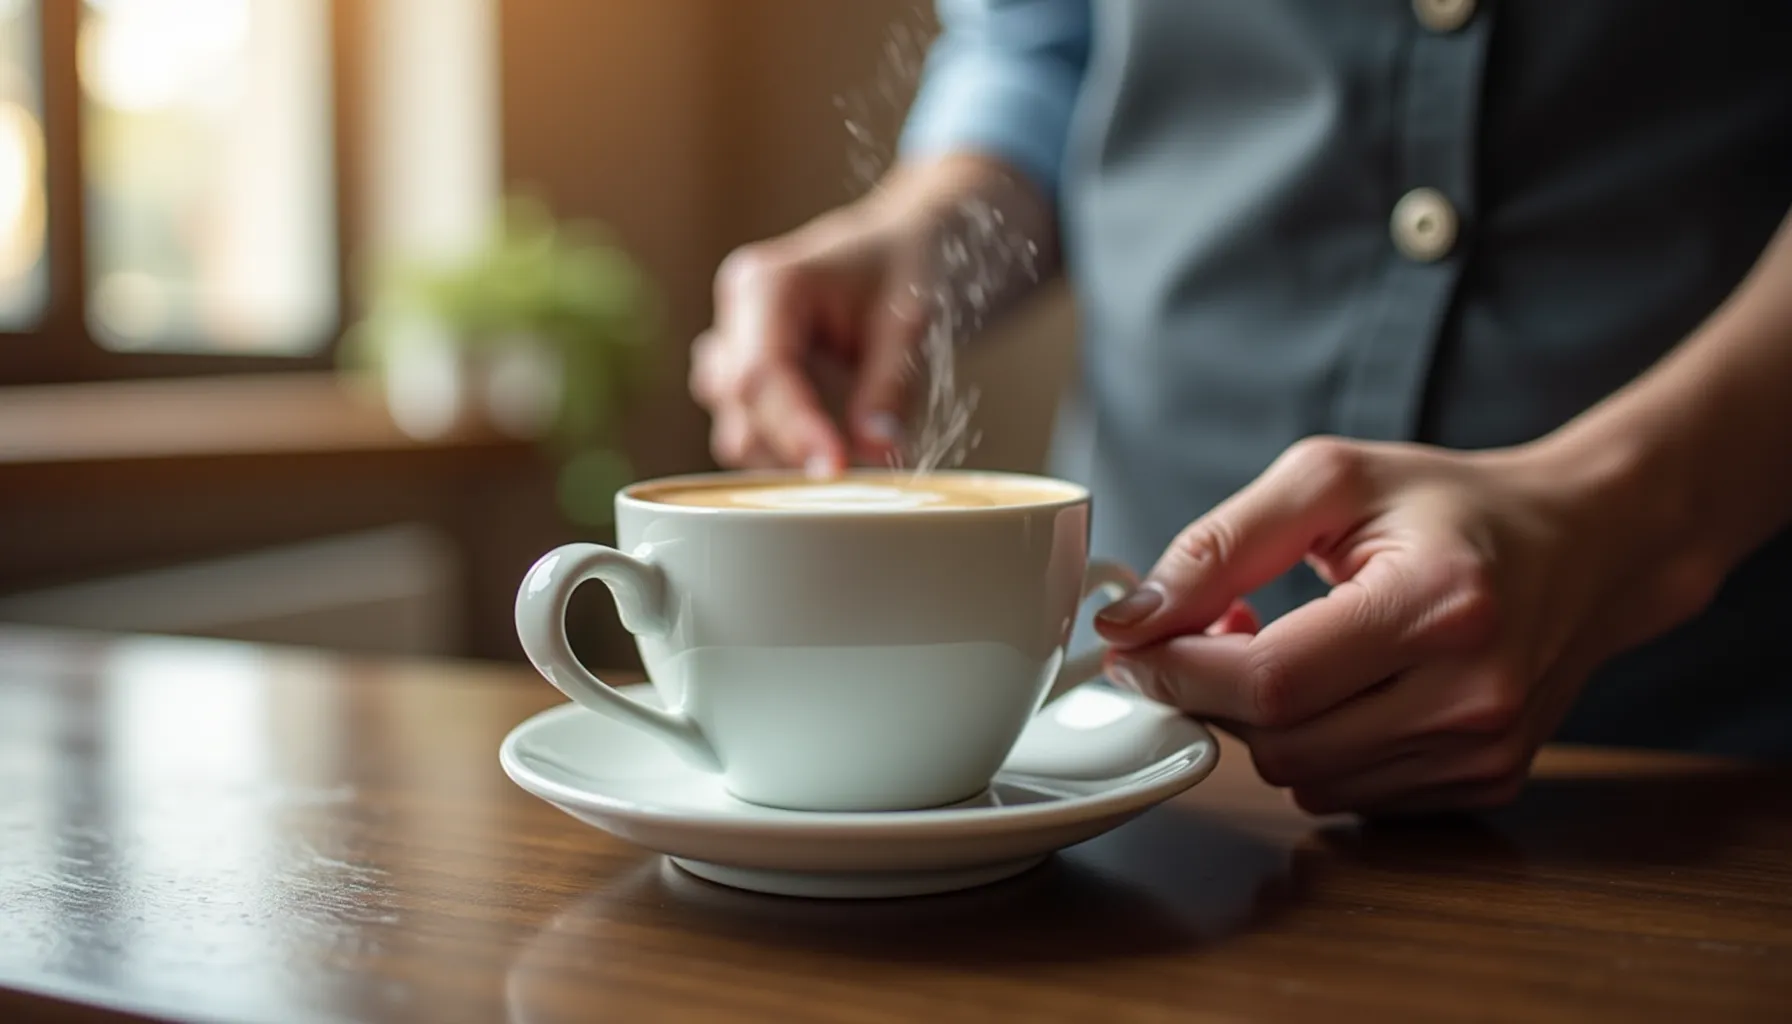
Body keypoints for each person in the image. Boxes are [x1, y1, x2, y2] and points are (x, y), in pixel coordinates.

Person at [687, 0, 1792, 815]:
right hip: (1126, 777)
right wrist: (927, 230)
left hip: (1701, 777)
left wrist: (1626, 508)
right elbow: (1041, 41)